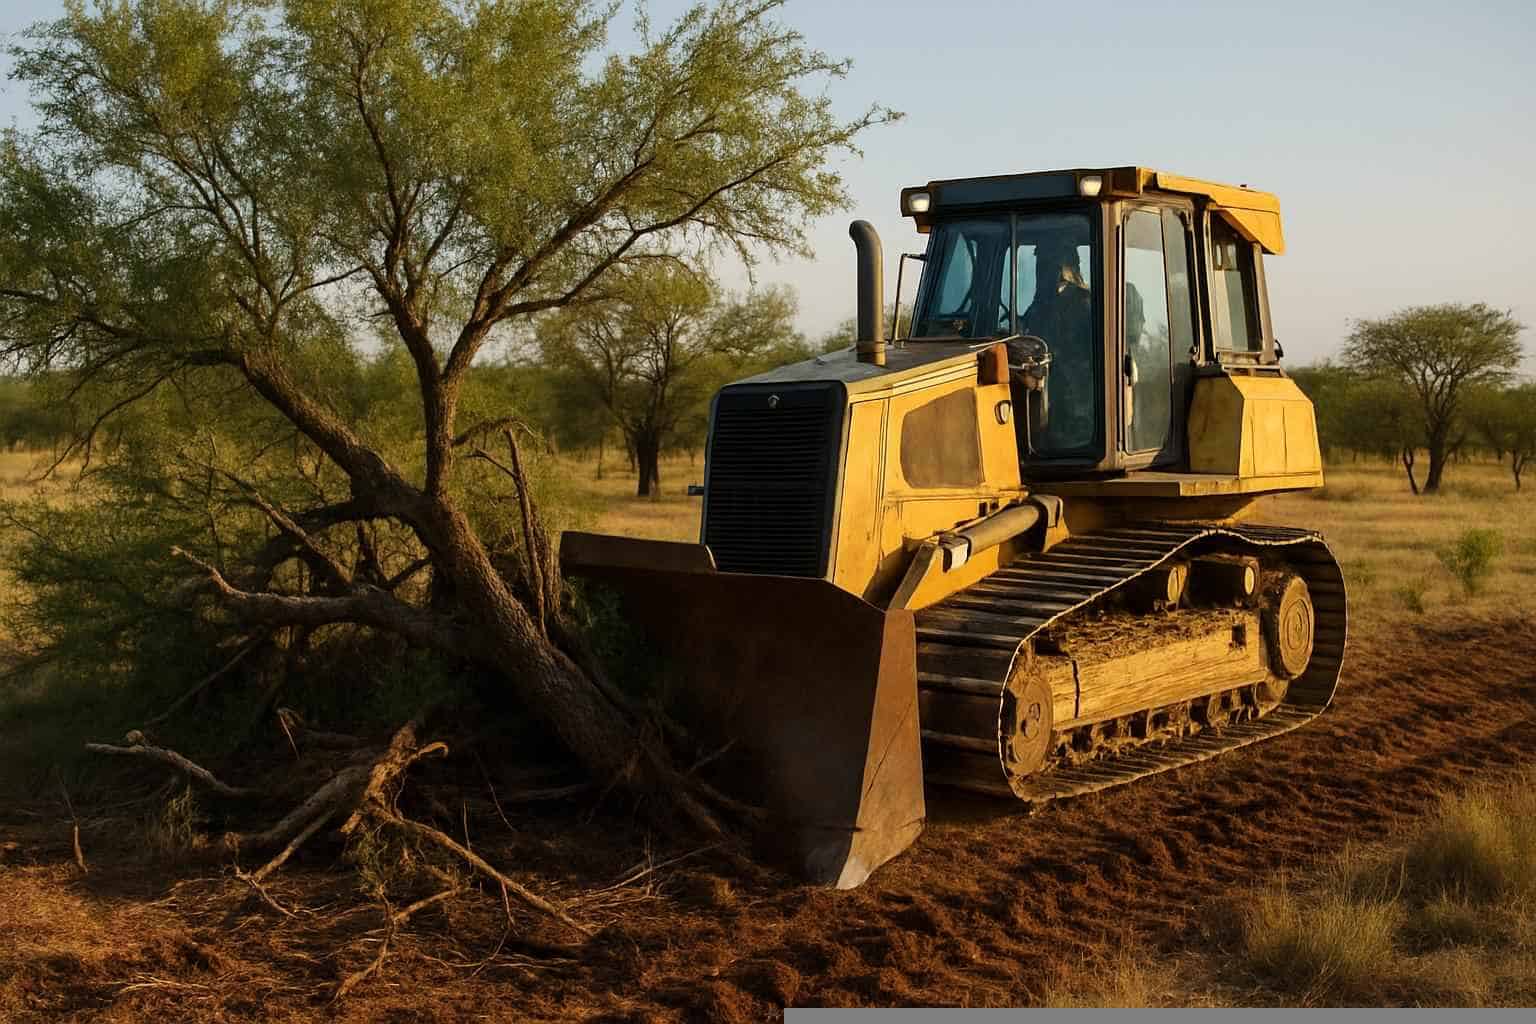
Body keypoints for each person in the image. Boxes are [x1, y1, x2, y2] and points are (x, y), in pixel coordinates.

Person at [1018, 239, 1094, 450]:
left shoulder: (1084, 304)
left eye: (1046, 263)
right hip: (1045, 388)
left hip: (1076, 400)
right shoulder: (1040, 305)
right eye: (1040, 263)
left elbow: (1089, 354)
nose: (1041, 269)